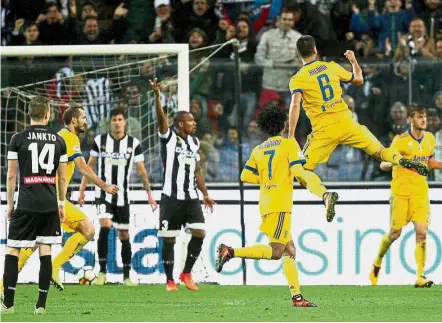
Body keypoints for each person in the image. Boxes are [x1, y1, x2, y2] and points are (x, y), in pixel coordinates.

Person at [215, 105, 339, 307]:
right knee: (276, 252)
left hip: (265, 203)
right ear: (283, 125)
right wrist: (308, 184)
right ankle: (230, 251)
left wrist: (267, 180)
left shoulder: (258, 150)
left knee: (290, 250)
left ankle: (297, 297)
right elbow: (298, 172)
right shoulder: (288, 145)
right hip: (280, 204)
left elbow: (244, 176)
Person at [288, 35, 430, 177]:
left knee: (301, 172)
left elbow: (295, 105)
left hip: (324, 130)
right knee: (380, 152)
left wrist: (291, 134)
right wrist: (354, 61)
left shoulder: (297, 79)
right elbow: (359, 79)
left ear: (299, 53)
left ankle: (322, 195)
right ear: (315, 50)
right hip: (347, 123)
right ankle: (402, 160)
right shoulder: (331, 67)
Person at [15, 106, 119, 291]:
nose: (86, 121)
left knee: (37, 241)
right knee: (84, 230)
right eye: (84, 118)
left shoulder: (58, 136)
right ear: (74, 121)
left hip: (41, 193)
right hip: (53, 197)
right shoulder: (70, 138)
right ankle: (52, 267)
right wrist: (105, 186)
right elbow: (83, 167)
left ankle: (10, 281)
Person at [1, 97, 67, 315]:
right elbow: (63, 178)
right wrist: (61, 204)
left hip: (26, 203)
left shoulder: (17, 139)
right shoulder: (59, 141)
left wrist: (10, 205)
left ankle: (8, 305)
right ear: (48, 114)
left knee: (13, 250)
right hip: (49, 204)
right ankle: (41, 306)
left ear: (29, 114)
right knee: (45, 251)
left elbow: (11, 177)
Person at [78, 108, 158, 286]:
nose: (117, 122)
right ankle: (102, 273)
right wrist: (82, 191)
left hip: (123, 197)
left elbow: (142, 171)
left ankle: (127, 276)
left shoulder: (133, 143)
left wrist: (150, 195)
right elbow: (88, 168)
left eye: (120, 119)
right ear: (110, 122)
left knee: (123, 235)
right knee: (105, 226)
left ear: (125, 122)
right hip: (102, 194)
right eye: (114, 119)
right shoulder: (100, 141)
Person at [150, 78, 216, 292]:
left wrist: (205, 194)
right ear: (180, 124)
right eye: (190, 121)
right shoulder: (168, 137)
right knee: (169, 240)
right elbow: (161, 120)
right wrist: (157, 97)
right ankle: (170, 280)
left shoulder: (194, 142)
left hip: (191, 197)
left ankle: (186, 273)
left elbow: (197, 169)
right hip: (170, 196)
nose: (194, 123)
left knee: (199, 233)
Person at [370, 104, 442, 287]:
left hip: (420, 193)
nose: (424, 120)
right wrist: (393, 164)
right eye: (419, 117)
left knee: (422, 232)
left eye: (424, 116)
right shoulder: (400, 141)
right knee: (394, 234)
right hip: (400, 194)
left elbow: (428, 160)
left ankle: (420, 276)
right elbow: (385, 163)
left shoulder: (430, 139)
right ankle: (377, 262)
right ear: (410, 120)